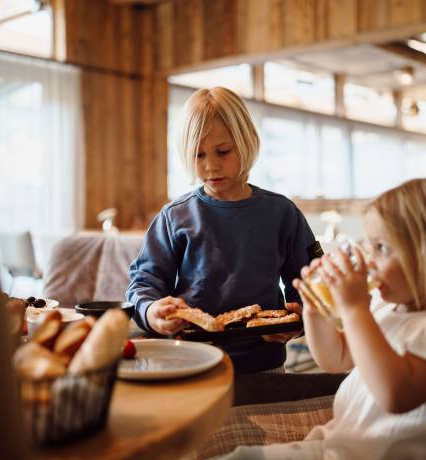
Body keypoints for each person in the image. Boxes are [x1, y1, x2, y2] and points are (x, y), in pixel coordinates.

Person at [213, 178, 426, 459]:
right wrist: (315, 310)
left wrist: (354, 309)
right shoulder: (387, 309)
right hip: (336, 443)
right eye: (369, 247)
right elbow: (334, 358)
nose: (368, 261)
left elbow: (395, 395)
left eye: (382, 248)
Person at [126, 87, 322, 374]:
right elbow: (144, 282)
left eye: (223, 151)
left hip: (264, 365)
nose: (211, 165)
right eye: (198, 155)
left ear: (247, 143)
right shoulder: (175, 216)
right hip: (190, 361)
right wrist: (151, 312)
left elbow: (311, 285)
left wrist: (301, 321)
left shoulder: (282, 213)